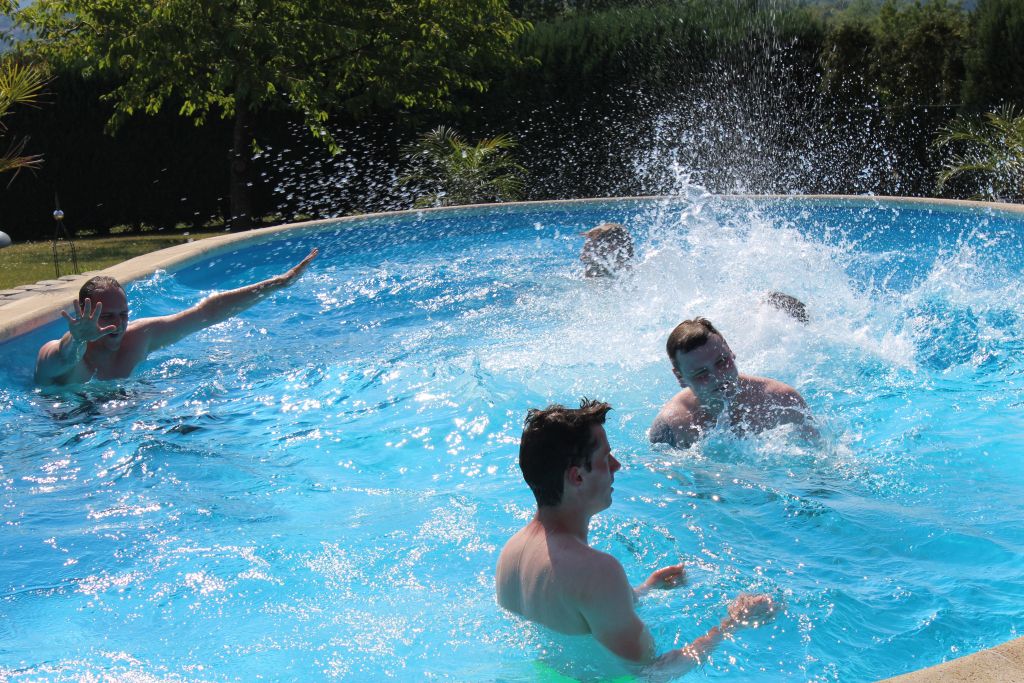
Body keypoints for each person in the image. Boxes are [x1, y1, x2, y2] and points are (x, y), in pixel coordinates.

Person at [496, 399, 778, 676]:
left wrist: (646, 589)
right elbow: (650, 673)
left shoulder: (512, 551)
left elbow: (571, 616)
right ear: (577, 477)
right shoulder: (596, 571)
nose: (616, 465)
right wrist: (731, 625)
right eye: (605, 458)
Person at [34, 248, 318, 385]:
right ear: (83, 314)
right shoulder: (58, 353)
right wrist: (77, 340)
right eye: (107, 316)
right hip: (74, 426)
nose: (118, 324)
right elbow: (63, 358)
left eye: (123, 314)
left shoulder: (139, 337)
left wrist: (278, 283)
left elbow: (206, 313)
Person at [650, 317, 817, 448]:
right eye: (701, 373)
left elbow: (818, 458)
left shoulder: (782, 400)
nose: (718, 376)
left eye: (722, 362)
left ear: (730, 352)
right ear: (680, 377)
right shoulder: (672, 425)